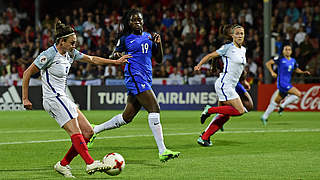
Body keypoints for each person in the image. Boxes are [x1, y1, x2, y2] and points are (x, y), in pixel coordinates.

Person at [22, 20, 130, 178]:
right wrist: (25, 98)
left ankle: (63, 164)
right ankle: (90, 162)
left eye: (75, 43)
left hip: (62, 97)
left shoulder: (70, 53)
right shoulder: (48, 55)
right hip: (53, 98)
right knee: (76, 132)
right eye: (71, 43)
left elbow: (92, 59)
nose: (74, 46)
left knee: (88, 132)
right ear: (61, 41)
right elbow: (27, 73)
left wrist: (115, 62)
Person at [87, 9, 180, 162]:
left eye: (139, 19)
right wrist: (117, 55)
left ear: (143, 21)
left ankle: (94, 130)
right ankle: (162, 150)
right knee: (154, 108)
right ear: (128, 23)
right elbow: (114, 54)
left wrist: (159, 44)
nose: (136, 22)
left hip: (146, 77)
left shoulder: (150, 36)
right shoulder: (125, 38)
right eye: (133, 20)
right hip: (135, 77)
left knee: (126, 117)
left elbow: (159, 60)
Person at [194, 24, 248, 147]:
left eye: (242, 33)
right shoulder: (227, 48)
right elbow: (210, 56)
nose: (240, 35)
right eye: (237, 33)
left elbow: (239, 69)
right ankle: (209, 110)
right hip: (225, 84)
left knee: (225, 116)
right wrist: (199, 65)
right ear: (232, 35)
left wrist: (244, 82)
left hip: (231, 85)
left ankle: (204, 138)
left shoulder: (243, 50)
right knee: (240, 110)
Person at [261, 44, 311, 125]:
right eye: (286, 49)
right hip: (282, 83)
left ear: (291, 51)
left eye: (289, 49)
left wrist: (303, 72)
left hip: (287, 83)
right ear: (283, 51)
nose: (287, 51)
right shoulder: (280, 58)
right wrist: (272, 72)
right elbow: (268, 63)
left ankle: (264, 116)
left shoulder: (293, 61)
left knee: (276, 101)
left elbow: (296, 69)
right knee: (298, 94)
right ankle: (283, 106)